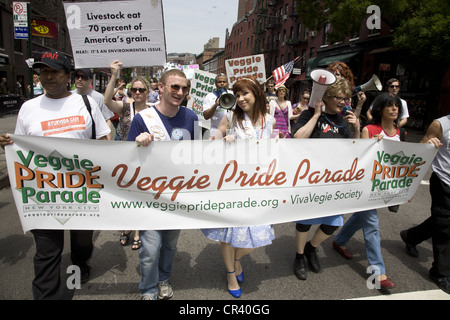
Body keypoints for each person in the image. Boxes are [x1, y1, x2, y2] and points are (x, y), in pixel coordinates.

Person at [0, 50, 110, 299]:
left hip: (82, 192)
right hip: (43, 193)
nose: (47, 77)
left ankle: (80, 264)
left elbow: (104, 139)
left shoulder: (86, 103)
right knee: (46, 253)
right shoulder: (28, 108)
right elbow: (19, 146)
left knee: (82, 243)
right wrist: (8, 143)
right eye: (43, 72)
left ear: (68, 76)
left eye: (54, 71)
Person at [127, 68, 197, 300]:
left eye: (184, 88)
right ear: (161, 88)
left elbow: (197, 154)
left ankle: (163, 279)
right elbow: (125, 159)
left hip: (177, 193)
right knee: (150, 249)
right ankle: (148, 289)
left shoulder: (191, 117)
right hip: (150, 194)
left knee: (169, 245)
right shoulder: (142, 119)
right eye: (174, 87)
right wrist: (137, 143)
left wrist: (222, 139)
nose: (180, 92)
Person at [202, 76, 276, 298]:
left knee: (258, 236)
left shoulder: (269, 121)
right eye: (238, 94)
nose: (241, 98)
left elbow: (273, 150)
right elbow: (216, 135)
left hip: (258, 184)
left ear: (256, 94)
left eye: (246, 93)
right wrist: (221, 140)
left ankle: (236, 259)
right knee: (228, 234)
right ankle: (231, 274)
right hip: (232, 183)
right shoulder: (232, 116)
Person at [333, 92, 404, 290]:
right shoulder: (369, 129)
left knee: (362, 218)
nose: (394, 109)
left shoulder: (400, 132)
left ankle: (339, 241)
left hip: (385, 185)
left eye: (396, 106)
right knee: (372, 224)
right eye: (390, 106)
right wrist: (374, 145)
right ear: (381, 109)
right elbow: (360, 159)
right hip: (366, 185)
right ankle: (378, 272)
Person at [291, 78, 360, 280]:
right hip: (310, 178)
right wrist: (317, 115)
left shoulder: (345, 120)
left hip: (334, 180)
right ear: (327, 98)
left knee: (332, 222)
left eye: (346, 98)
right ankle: (299, 255)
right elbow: (298, 138)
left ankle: (312, 248)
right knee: (305, 221)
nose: (343, 101)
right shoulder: (308, 114)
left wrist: (356, 128)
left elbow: (358, 149)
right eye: (339, 97)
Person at [400, 113, 450, 294]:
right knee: (444, 227)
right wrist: (429, 145)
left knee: (441, 221)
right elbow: (420, 150)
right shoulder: (440, 125)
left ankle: (411, 236)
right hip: (443, 182)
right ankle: (440, 272)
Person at [104, 60, 151, 250]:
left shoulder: (154, 111)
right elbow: (106, 102)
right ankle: (126, 227)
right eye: (134, 90)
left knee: (140, 195)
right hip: (125, 157)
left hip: (145, 159)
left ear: (147, 92)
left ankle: (138, 230)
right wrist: (114, 76)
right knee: (125, 195)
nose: (137, 93)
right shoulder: (124, 108)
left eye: (141, 90)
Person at [73, 68, 114, 140]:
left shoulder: (98, 97)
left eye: (84, 77)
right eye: (77, 76)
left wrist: (108, 140)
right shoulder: (69, 96)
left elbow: (107, 119)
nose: (80, 79)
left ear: (90, 81)